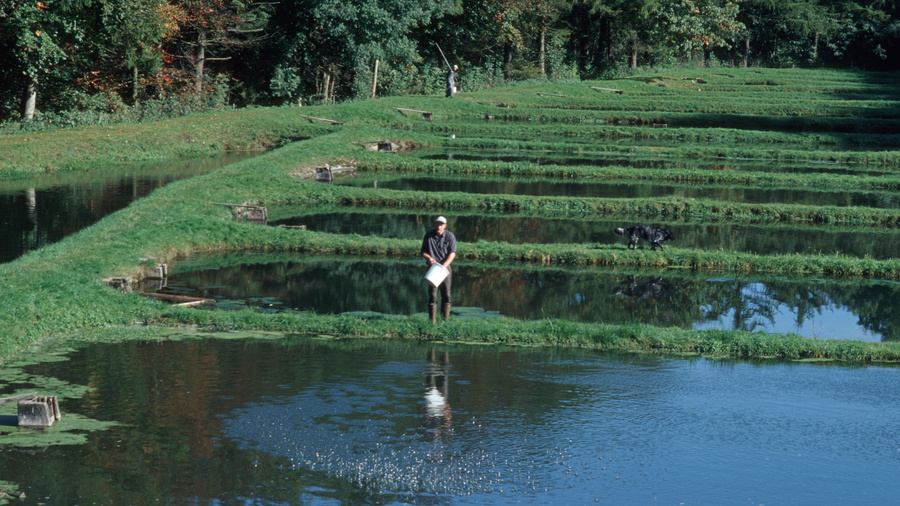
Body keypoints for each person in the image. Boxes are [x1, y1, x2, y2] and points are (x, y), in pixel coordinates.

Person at [421, 216, 457, 322]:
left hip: (445, 269)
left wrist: (444, 266)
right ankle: (432, 322)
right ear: (435, 224)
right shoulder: (428, 236)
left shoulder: (450, 236)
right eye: (437, 224)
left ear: (445, 226)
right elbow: (423, 252)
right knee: (432, 296)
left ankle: (445, 321)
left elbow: (453, 253)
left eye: (441, 224)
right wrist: (429, 258)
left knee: (447, 295)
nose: (439, 226)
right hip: (433, 269)